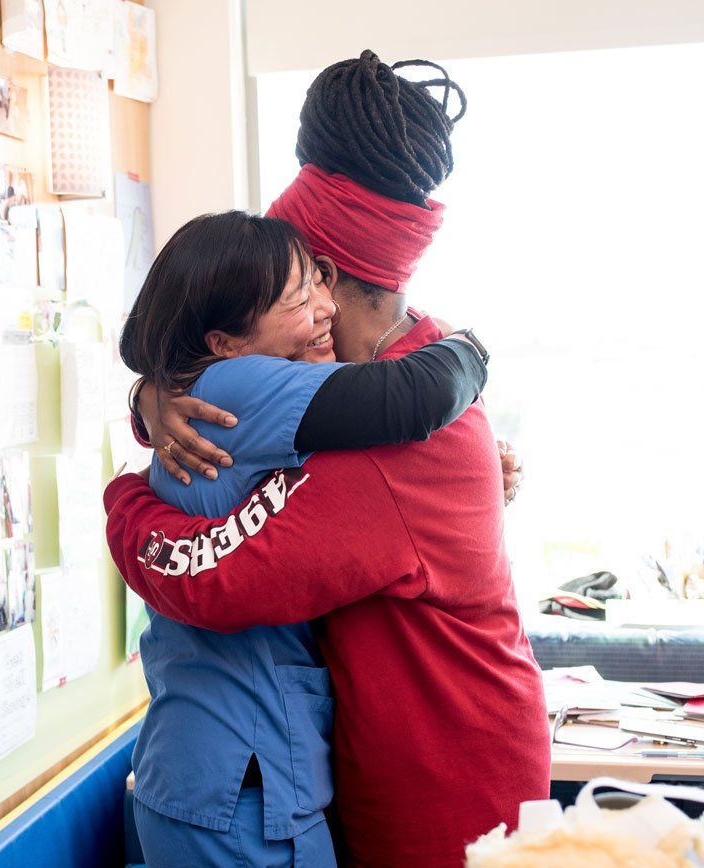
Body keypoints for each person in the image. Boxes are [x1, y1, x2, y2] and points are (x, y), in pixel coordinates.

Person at [109, 53, 549, 867]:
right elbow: (230, 403)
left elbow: (213, 581)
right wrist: (154, 397)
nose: (296, 317)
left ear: (328, 278)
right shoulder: (398, 361)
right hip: (384, 761)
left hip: (444, 780)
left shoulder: (390, 432)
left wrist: (125, 503)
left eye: (296, 281)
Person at [117, 209, 490, 867]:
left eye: (321, 281)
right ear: (227, 343)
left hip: (208, 772)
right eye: (300, 298)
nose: (325, 308)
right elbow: (409, 395)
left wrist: (147, 396)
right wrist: (473, 349)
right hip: (241, 783)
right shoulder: (241, 384)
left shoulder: (206, 392)